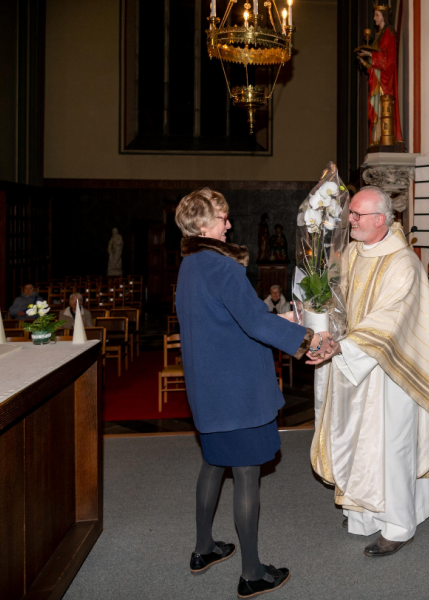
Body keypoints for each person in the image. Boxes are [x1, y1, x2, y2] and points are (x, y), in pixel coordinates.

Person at [175, 188, 329, 598]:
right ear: (205, 224)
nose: (229, 224)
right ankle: (252, 573)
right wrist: (307, 338)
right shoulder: (224, 268)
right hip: (238, 389)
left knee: (213, 463)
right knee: (245, 476)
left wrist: (279, 318)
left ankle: (204, 548)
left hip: (208, 389)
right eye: (223, 218)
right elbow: (255, 326)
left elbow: (229, 318)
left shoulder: (190, 264)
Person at [306, 186, 429, 557]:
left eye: (357, 215)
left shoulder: (404, 264)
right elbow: (337, 300)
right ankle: (363, 515)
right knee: (356, 439)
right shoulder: (353, 252)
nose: (349, 220)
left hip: (392, 371)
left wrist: (345, 345)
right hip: (352, 363)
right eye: (350, 213)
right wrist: (317, 319)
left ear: (381, 220)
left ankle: (399, 525)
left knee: (391, 446)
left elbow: (390, 319)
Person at [357, 5, 402, 145]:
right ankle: (377, 138)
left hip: (385, 81)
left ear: (383, 16)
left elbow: (388, 59)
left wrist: (370, 54)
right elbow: (376, 62)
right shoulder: (380, 35)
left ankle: (382, 138)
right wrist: (365, 62)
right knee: (377, 110)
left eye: (377, 15)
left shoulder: (389, 32)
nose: (374, 18)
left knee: (383, 110)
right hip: (378, 78)